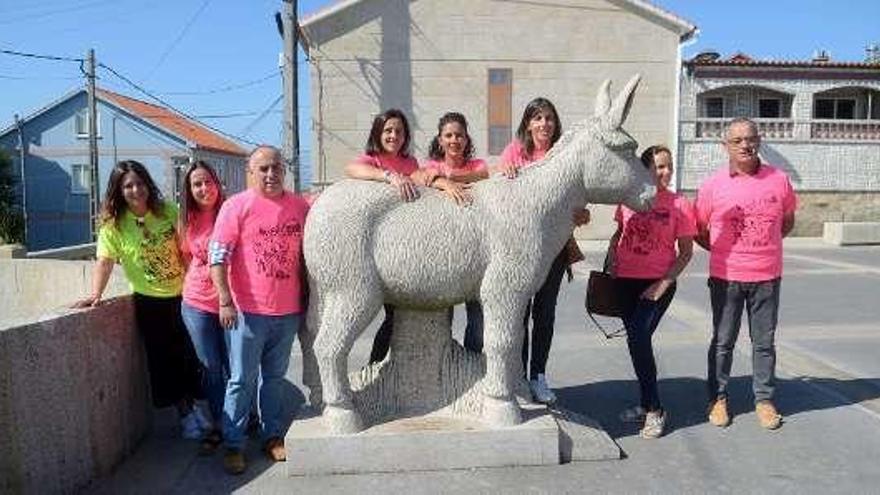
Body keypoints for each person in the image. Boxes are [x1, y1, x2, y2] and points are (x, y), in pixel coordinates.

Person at [73, 160, 206, 439]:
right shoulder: (114, 227)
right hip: (150, 303)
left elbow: (188, 248)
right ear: (119, 191)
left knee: (192, 356)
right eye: (128, 186)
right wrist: (96, 294)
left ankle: (197, 407)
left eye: (139, 183)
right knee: (164, 361)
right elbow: (105, 262)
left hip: (184, 296)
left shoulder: (168, 211)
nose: (136, 190)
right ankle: (184, 415)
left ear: (148, 184)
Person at [209, 146, 310, 474]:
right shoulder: (235, 206)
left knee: (275, 379)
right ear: (251, 172)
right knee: (241, 380)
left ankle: (272, 436)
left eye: (276, 168)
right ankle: (234, 444)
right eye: (263, 168)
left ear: (284, 170)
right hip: (246, 313)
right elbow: (218, 257)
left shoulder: (299, 206)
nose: (271, 174)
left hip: (288, 311)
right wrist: (225, 300)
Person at [695, 117, 798, 430]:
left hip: (767, 276)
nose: (745, 145)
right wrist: (726, 252)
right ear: (725, 145)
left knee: (763, 343)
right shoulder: (713, 185)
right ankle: (717, 399)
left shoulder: (779, 179)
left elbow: (787, 221)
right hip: (726, 277)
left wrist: (761, 247)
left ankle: (764, 400)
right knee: (723, 341)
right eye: (737, 140)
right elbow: (699, 229)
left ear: (759, 141)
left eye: (750, 139)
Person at [497, 97, 591, 404]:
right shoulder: (515, 152)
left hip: (555, 249)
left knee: (545, 314)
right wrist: (505, 172)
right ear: (527, 123)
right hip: (520, 249)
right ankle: (518, 377)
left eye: (548, 118)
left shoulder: (563, 154)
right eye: (537, 118)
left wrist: (581, 213)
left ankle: (538, 376)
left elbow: (578, 198)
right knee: (518, 315)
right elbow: (499, 190)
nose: (543, 124)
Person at [608, 145, 695, 439]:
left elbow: (685, 252)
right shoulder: (627, 199)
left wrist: (663, 283)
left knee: (639, 336)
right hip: (624, 281)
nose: (666, 172)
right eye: (659, 166)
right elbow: (619, 234)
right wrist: (612, 262)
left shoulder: (679, 204)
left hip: (657, 283)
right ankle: (645, 404)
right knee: (636, 343)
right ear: (645, 169)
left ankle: (656, 409)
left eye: (668, 166)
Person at [344, 109, 420, 365]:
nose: (394, 135)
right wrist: (388, 175)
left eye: (399, 131)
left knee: (399, 317)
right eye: (388, 130)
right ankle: (374, 366)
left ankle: (388, 366)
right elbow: (351, 169)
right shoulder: (371, 160)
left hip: (407, 246)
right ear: (378, 133)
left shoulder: (411, 164)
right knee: (387, 314)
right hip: (378, 248)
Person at [422, 112, 488, 351]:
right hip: (444, 253)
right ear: (440, 140)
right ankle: (448, 366)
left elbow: (484, 175)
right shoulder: (432, 166)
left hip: (476, 252)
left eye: (459, 135)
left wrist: (447, 177)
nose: (454, 140)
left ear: (466, 139)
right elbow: (417, 176)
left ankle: (471, 363)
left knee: (478, 322)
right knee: (442, 320)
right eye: (448, 135)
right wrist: (444, 183)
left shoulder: (477, 165)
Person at [178, 160, 228, 455]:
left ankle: (245, 416)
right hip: (196, 302)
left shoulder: (231, 211)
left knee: (235, 364)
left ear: (217, 183)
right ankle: (221, 422)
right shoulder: (187, 220)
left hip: (230, 303)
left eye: (208, 181)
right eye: (197, 184)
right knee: (210, 367)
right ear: (189, 189)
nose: (203, 188)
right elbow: (186, 257)